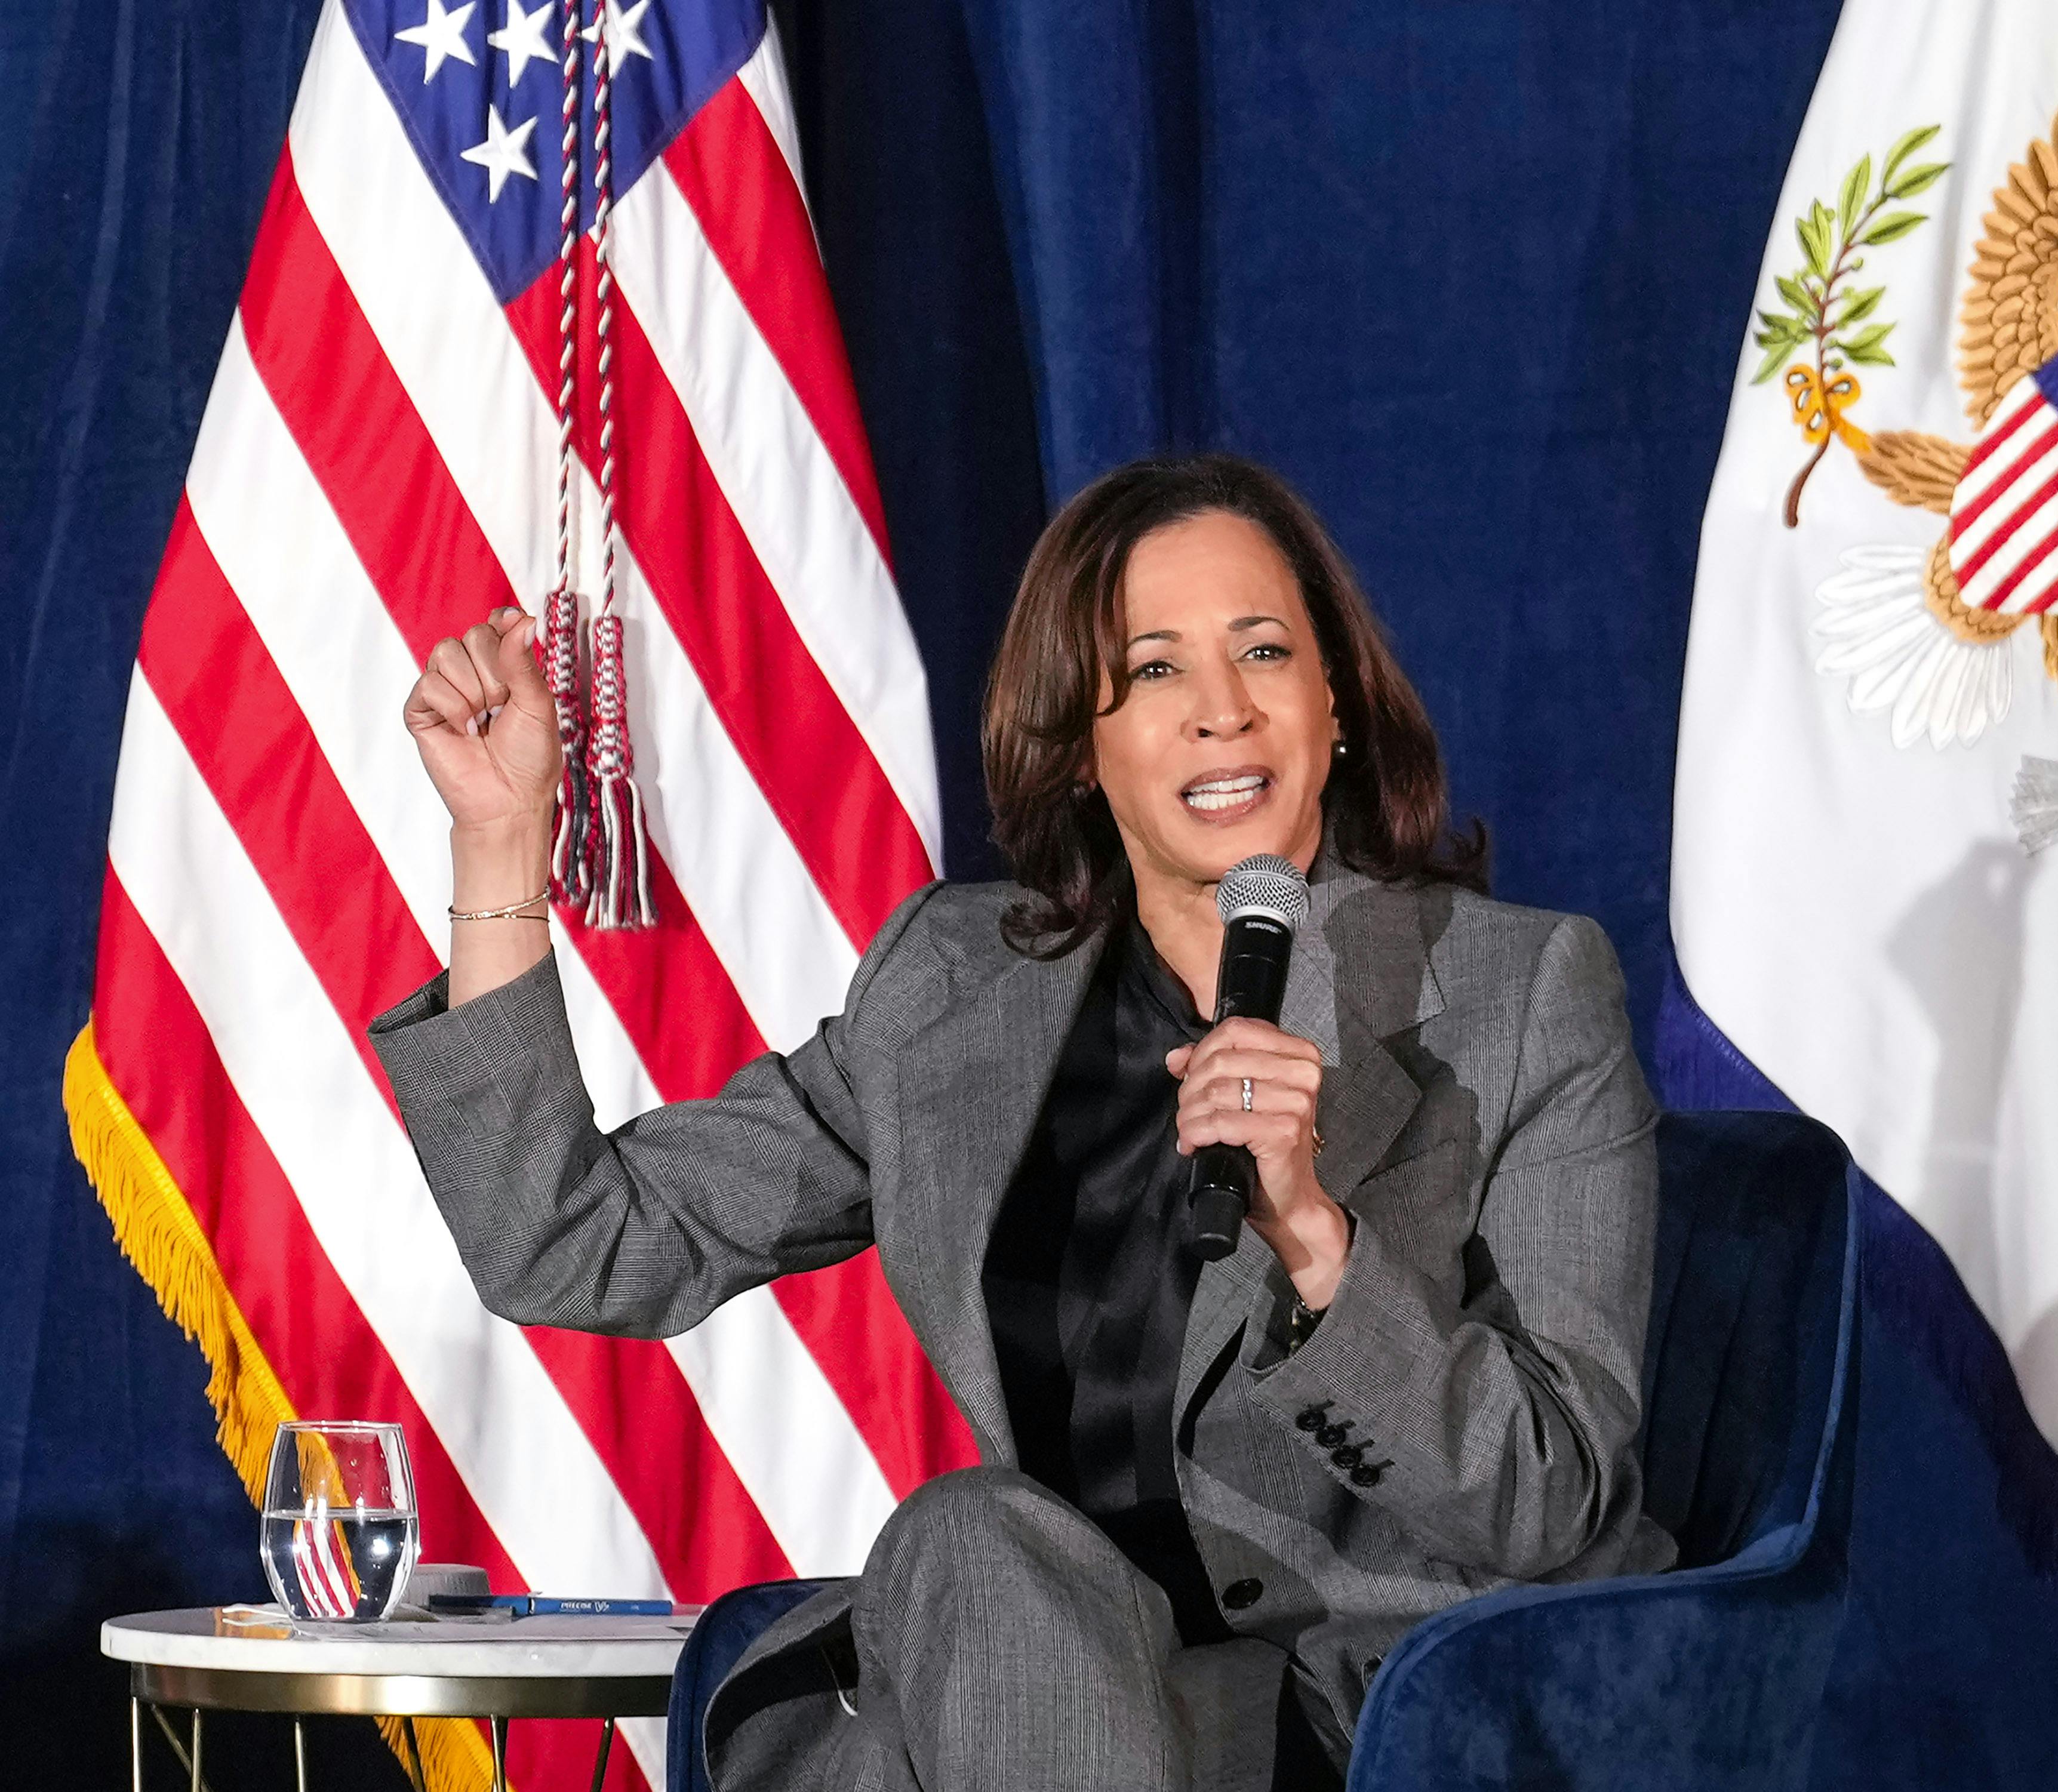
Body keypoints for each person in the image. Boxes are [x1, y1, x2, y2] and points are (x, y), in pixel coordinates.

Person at [371, 453, 1672, 1792]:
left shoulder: (1517, 995)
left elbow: (1553, 1498)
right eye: (1157, 669)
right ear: (1077, 743)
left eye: (1266, 651)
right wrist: (501, 849)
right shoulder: (955, 992)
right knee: (977, 1538)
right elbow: (574, 1242)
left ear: (1332, 702)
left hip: (1366, 1722)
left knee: (971, 1551)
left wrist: (1321, 1245)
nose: (1225, 712)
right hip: (1030, 1682)